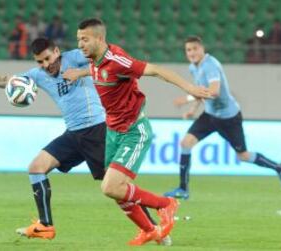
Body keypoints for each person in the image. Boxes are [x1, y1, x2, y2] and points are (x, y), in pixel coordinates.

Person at [0, 37, 169, 244]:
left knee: (117, 188)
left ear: (57, 52)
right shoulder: (37, 74)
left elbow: (105, 57)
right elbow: (7, 80)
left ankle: (154, 228)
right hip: (73, 134)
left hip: (98, 130)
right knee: (36, 167)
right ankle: (45, 225)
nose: (45, 64)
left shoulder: (75, 57)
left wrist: (89, 69)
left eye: (48, 58)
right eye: (40, 61)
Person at [62, 18, 211, 246]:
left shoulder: (117, 60)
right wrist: (78, 74)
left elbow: (156, 70)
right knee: (115, 190)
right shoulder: (94, 60)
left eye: (85, 39)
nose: (80, 44)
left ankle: (166, 204)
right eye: (78, 39)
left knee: (111, 186)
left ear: (99, 39)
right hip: (113, 130)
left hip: (133, 130)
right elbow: (98, 72)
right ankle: (151, 230)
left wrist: (190, 88)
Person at [163, 36, 281, 200]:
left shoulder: (210, 65)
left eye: (195, 49)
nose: (192, 53)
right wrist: (193, 109)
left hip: (228, 118)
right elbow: (201, 91)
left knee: (243, 156)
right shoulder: (193, 68)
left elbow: (214, 91)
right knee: (185, 143)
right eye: (189, 50)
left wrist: (187, 99)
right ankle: (183, 189)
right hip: (210, 115)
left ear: (202, 49)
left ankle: (279, 168)